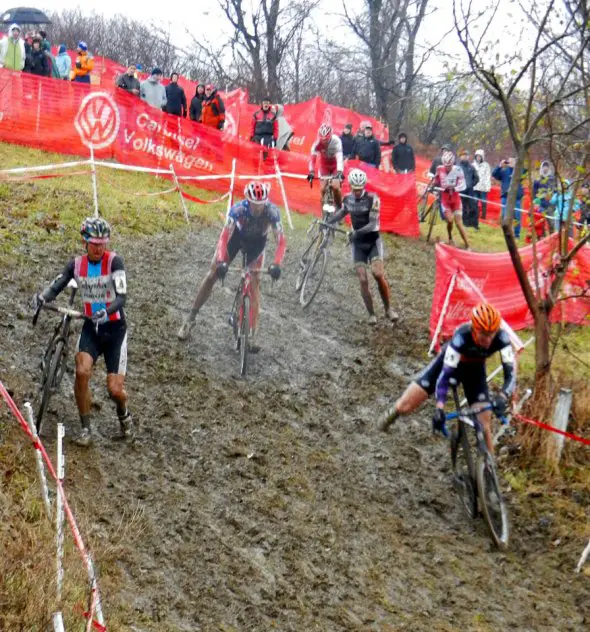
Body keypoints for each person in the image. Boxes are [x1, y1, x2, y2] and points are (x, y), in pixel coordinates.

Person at [33, 217, 134, 447]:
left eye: (103, 243)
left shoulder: (115, 262)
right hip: (91, 327)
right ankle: (86, 428)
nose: (99, 248)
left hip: (115, 329)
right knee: (81, 371)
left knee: (114, 390)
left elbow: (122, 297)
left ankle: (124, 414)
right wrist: (43, 297)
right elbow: (58, 284)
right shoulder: (77, 264)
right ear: (85, 242)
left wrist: (106, 312)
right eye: (94, 243)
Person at [379, 302, 515, 455]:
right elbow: (444, 377)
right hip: (447, 367)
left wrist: (503, 395)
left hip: (475, 371)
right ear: (475, 329)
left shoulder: (502, 338)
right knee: (405, 406)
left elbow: (510, 374)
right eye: (484, 334)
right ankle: (386, 420)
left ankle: (490, 469)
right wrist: (439, 407)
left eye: (492, 333)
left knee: (484, 425)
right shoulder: (461, 337)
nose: (488, 339)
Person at [177, 181, 286, 348]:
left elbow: (281, 242)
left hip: (257, 246)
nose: (258, 208)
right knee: (213, 273)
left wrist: (277, 263)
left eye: (261, 204)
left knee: (255, 282)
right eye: (255, 204)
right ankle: (191, 318)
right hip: (235, 240)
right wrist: (221, 260)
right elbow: (223, 237)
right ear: (248, 201)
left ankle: (252, 334)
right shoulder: (238, 210)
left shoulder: (272, 212)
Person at [327, 169, 399, 324]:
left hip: (372, 240)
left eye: (360, 189)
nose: (358, 192)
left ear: (364, 186)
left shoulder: (373, 199)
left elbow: (373, 224)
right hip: (358, 244)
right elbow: (342, 212)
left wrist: (356, 232)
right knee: (362, 279)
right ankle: (371, 314)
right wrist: (329, 222)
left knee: (377, 274)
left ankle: (388, 309)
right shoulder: (347, 199)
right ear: (352, 187)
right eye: (355, 189)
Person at [433, 151, 470, 249]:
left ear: (453, 163)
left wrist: (455, 188)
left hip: (456, 199)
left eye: (449, 166)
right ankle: (450, 238)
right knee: (449, 220)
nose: (447, 168)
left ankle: (468, 245)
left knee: (459, 223)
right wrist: (434, 184)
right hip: (445, 200)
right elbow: (436, 180)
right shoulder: (439, 169)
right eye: (446, 166)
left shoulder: (458, 170)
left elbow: (463, 184)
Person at [307, 124, 344, 213]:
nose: (324, 142)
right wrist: (311, 171)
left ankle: (339, 208)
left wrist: (339, 171)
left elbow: (339, 157)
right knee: (322, 188)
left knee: (335, 187)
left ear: (330, 136)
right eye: (322, 140)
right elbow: (312, 160)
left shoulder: (336, 141)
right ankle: (323, 209)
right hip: (324, 165)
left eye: (326, 140)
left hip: (335, 165)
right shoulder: (316, 143)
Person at [492, 158, 525, 239]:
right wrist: (500, 166)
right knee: (504, 215)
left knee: (517, 216)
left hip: (516, 198)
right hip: (505, 197)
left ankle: (517, 235)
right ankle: (506, 233)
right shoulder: (504, 171)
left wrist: (516, 166)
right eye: (509, 161)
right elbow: (494, 174)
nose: (510, 163)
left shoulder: (519, 171)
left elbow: (525, 172)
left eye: (512, 161)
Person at [533, 161, 557, 233]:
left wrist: (554, 202)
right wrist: (536, 203)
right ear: (541, 168)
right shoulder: (537, 180)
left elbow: (556, 191)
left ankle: (552, 238)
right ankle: (542, 239)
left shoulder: (552, 179)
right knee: (541, 223)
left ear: (549, 168)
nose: (545, 168)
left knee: (551, 223)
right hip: (540, 205)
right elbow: (534, 192)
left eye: (547, 167)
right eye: (544, 167)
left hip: (550, 205)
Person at [458, 150, 480, 229]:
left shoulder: (471, 167)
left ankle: (474, 224)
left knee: (473, 207)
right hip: (460, 190)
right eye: (463, 155)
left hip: (470, 190)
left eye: (466, 155)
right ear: (460, 157)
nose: (465, 156)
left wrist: (471, 184)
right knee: (463, 208)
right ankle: (465, 223)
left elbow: (477, 178)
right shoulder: (457, 167)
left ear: (468, 157)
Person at [472, 149, 491, 220]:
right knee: (475, 201)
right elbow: (471, 176)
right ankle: (475, 215)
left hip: (483, 187)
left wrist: (487, 187)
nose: (478, 158)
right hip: (475, 187)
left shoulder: (486, 165)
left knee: (483, 201)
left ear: (482, 157)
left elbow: (488, 176)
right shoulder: (473, 165)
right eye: (477, 156)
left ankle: (483, 216)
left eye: (480, 156)